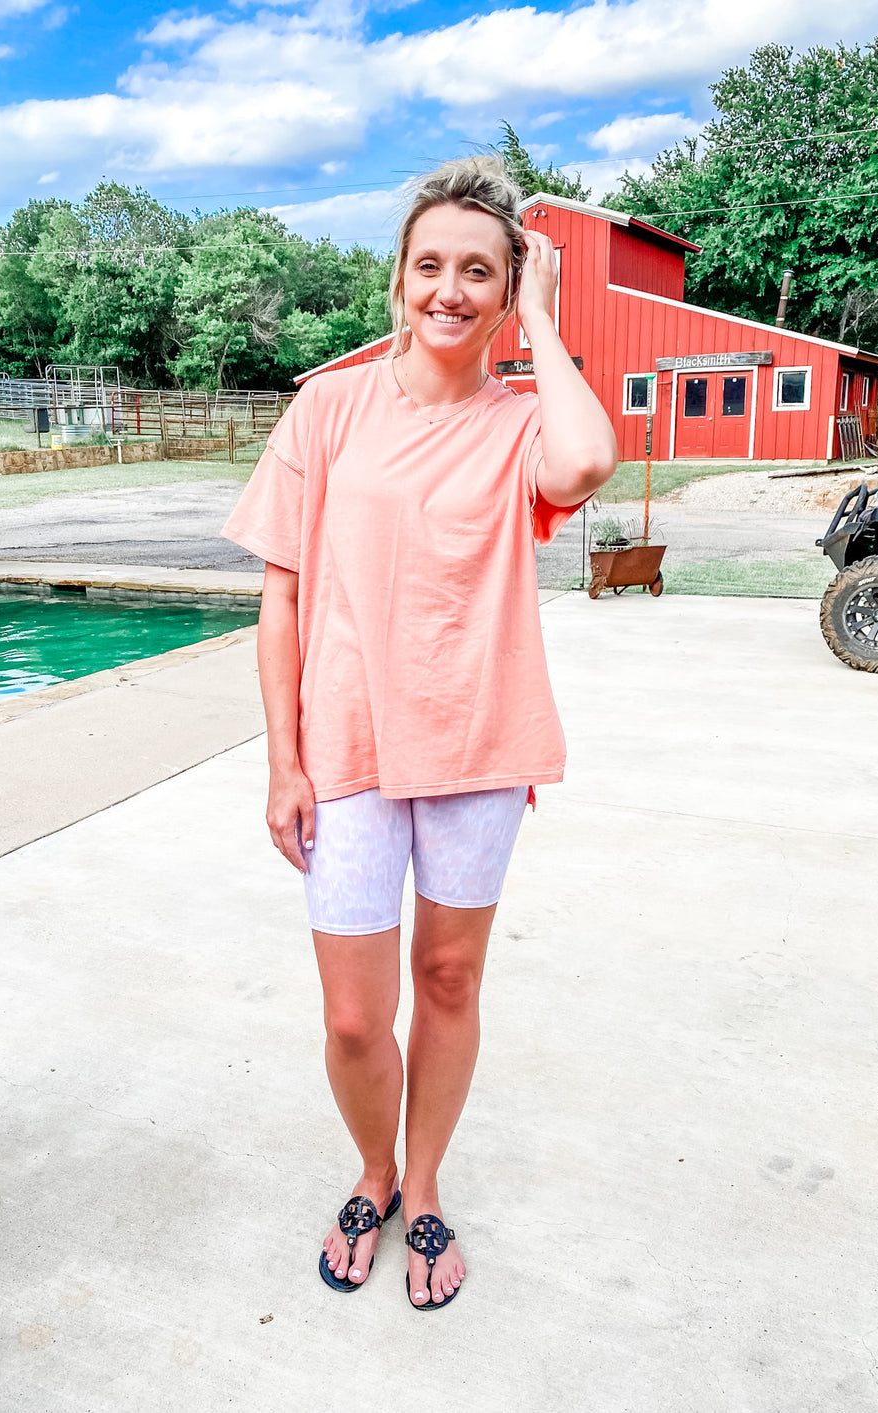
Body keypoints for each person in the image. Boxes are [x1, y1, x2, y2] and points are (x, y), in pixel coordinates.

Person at [221, 155, 617, 1309]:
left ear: (505, 292)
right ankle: (375, 1167)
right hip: (343, 751)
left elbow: (587, 461)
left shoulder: (521, 427)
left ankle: (427, 1182)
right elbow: (282, 597)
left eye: (479, 272)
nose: (450, 288)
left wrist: (545, 317)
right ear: (397, 280)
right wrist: (284, 761)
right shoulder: (330, 408)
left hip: (477, 745)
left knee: (446, 976)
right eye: (429, 264)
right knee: (353, 1012)